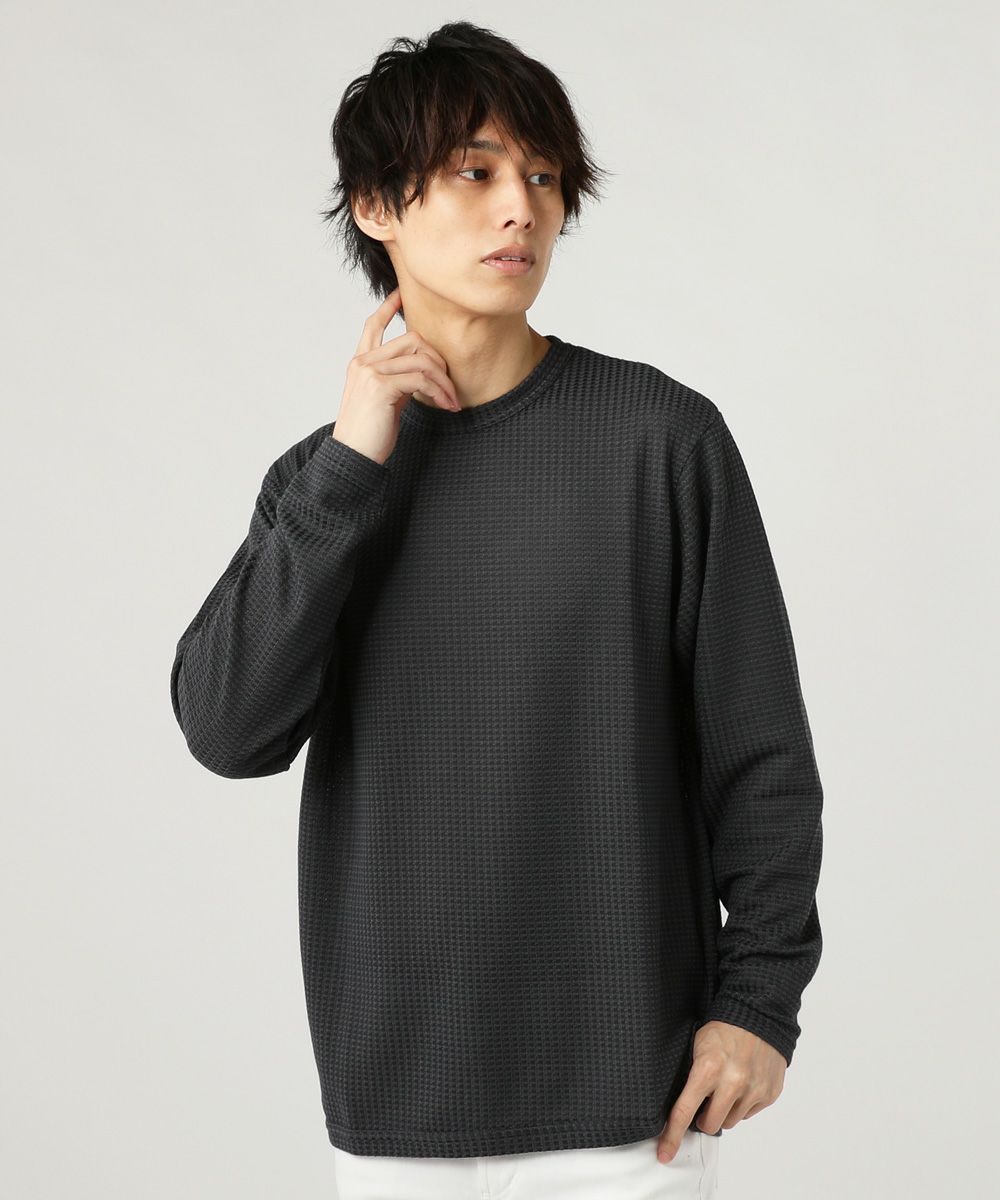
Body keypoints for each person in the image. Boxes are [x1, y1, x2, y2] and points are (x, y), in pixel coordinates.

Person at [170, 20, 823, 1199]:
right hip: (396, 1106)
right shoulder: (323, 481)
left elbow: (761, 752)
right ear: (378, 205)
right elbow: (227, 729)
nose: (521, 208)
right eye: (474, 172)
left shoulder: (659, 440)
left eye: (543, 177)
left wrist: (759, 1005)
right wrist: (350, 467)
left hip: (632, 1104)